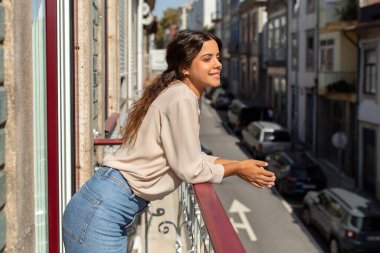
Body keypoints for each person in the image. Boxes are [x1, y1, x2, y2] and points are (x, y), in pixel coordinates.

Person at [62, 29, 276, 253]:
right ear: (184, 67)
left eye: (218, 57)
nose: (218, 64)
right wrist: (238, 168)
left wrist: (235, 164)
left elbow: (191, 155)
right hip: (100, 215)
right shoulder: (181, 97)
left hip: (102, 208)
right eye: (207, 58)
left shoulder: (180, 94)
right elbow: (190, 170)